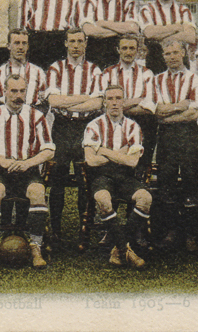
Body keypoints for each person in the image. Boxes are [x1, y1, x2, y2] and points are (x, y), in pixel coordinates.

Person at [0, 75, 55, 268]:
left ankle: (36, 247)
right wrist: (1, 161)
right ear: (4, 91)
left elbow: (49, 149)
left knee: (37, 191)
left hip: (26, 169)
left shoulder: (37, 116)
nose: (18, 96)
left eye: (22, 91)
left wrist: (28, 163)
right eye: (14, 91)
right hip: (0, 169)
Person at [139, 38, 198, 251]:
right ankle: (170, 231)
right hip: (165, 136)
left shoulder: (195, 78)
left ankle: (191, 234)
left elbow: (194, 113)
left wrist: (167, 111)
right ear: (163, 56)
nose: (172, 57)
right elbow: (154, 112)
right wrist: (179, 106)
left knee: (190, 181)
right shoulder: (155, 81)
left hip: (188, 136)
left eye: (176, 52)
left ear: (184, 53)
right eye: (167, 54)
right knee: (166, 182)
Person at [45, 27, 102, 247]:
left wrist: (67, 98)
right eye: (72, 41)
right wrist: (82, 99)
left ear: (86, 43)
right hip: (61, 127)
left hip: (85, 127)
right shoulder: (55, 68)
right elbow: (53, 102)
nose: (76, 45)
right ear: (65, 43)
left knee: (84, 178)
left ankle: (84, 229)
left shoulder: (95, 70)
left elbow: (97, 103)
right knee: (57, 179)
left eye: (80, 41)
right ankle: (56, 230)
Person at [83, 84, 150, 268]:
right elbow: (90, 161)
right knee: (102, 199)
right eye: (110, 99)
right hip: (102, 177)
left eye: (118, 98)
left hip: (126, 176)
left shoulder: (133, 126)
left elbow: (132, 162)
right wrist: (120, 153)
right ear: (104, 102)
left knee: (145, 198)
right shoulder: (94, 126)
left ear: (123, 102)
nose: (114, 103)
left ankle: (118, 248)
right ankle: (126, 250)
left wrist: (103, 150)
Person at [98, 34, 156, 177]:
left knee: (138, 167)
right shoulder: (107, 73)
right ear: (118, 49)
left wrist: (119, 105)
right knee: (115, 164)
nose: (128, 52)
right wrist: (136, 100)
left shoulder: (147, 73)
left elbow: (150, 106)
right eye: (124, 48)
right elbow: (103, 104)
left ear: (138, 50)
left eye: (132, 48)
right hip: (114, 124)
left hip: (141, 123)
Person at [81, 0, 139, 68]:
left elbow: (133, 28)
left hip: (120, 53)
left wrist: (103, 23)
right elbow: (88, 30)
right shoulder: (90, 2)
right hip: (95, 53)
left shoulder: (127, 2)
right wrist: (120, 30)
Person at [138, 0, 197, 74]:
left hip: (181, 62)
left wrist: (161, 37)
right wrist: (177, 27)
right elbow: (149, 33)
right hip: (156, 62)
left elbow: (191, 36)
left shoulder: (184, 10)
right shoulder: (147, 9)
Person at [0, 29, 48, 109]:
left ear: (27, 46)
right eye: (16, 43)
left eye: (24, 43)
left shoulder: (38, 72)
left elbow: (45, 101)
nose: (20, 47)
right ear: (8, 46)